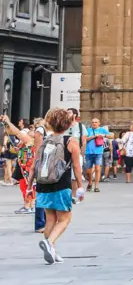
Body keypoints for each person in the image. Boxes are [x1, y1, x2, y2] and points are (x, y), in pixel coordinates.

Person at [32, 108, 85, 265]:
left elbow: (35, 164)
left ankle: (52, 250)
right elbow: (77, 167)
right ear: (68, 124)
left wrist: (30, 185)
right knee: (64, 219)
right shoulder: (71, 141)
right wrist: (80, 187)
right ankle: (50, 243)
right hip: (61, 184)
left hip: (43, 184)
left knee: (50, 219)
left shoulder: (45, 140)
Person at [83, 117, 108, 193]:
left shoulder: (102, 129)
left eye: (96, 122)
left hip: (98, 152)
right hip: (88, 152)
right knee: (88, 171)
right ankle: (90, 182)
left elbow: (112, 135)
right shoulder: (88, 130)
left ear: (99, 123)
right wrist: (94, 136)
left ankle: (96, 186)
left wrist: (103, 135)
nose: (94, 123)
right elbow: (85, 139)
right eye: (93, 122)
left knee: (97, 169)